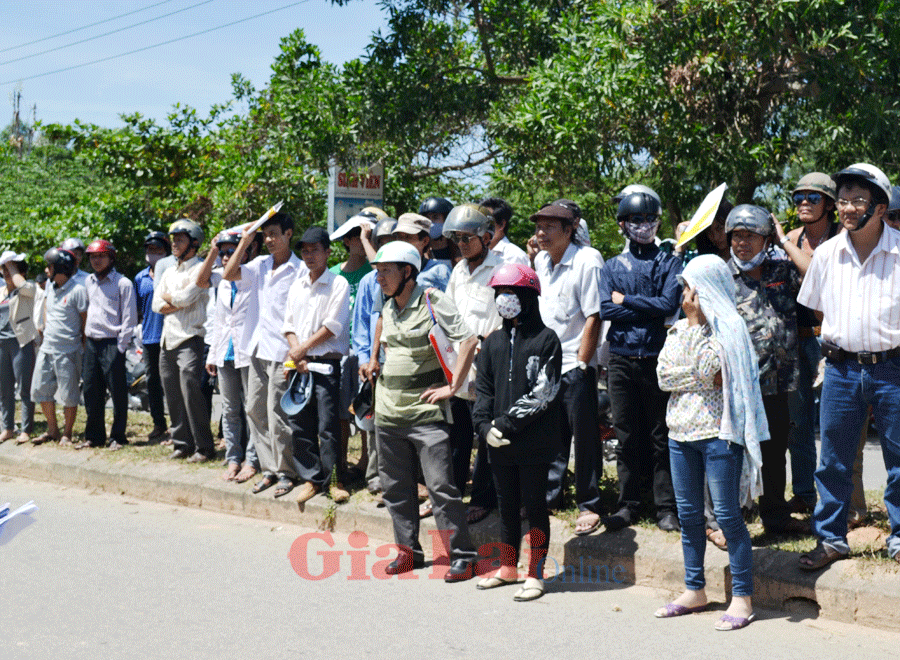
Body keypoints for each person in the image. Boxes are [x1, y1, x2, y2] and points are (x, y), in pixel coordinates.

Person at [796, 163, 900, 569]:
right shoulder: (825, 255)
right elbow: (816, 309)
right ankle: (831, 540)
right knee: (833, 460)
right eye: (843, 200)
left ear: (879, 207)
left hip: (893, 369)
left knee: (898, 458)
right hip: (839, 370)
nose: (847, 208)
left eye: (858, 200)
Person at [655, 255, 765, 631]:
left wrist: (694, 347)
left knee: (728, 516)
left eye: (690, 288)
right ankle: (695, 590)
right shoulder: (679, 328)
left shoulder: (730, 328)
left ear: (708, 289)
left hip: (719, 433)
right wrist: (691, 330)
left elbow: (707, 370)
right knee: (688, 517)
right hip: (680, 433)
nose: (685, 296)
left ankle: (742, 597)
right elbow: (663, 375)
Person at [371, 241, 478, 581]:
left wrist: (453, 387)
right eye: (377, 271)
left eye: (386, 271)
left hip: (426, 417)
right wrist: (373, 358)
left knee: (441, 487)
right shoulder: (388, 303)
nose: (379, 278)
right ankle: (408, 552)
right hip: (387, 413)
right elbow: (382, 329)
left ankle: (462, 555)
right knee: (396, 488)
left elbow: (468, 340)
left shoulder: (432, 299)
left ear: (407, 271)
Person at [472, 263, 562, 602]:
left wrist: (504, 424)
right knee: (505, 505)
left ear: (528, 297)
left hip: (534, 440)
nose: (504, 300)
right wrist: (484, 427)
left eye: (511, 293)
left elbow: (545, 392)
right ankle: (508, 567)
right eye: (500, 293)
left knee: (534, 506)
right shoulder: (492, 342)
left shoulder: (546, 339)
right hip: (497, 441)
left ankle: (535, 573)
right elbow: (483, 391)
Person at [725, 204, 811, 535]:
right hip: (739, 383)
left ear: (766, 238)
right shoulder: (722, 276)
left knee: (775, 452)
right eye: (737, 235)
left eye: (751, 235)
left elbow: (817, 274)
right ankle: (731, 518)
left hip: (779, 381)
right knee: (735, 453)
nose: (742, 242)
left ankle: (775, 516)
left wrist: (784, 241)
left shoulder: (782, 270)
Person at [600, 191, 681, 532]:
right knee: (627, 435)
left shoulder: (668, 261)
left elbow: (667, 305)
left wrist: (628, 300)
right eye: (637, 220)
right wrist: (642, 307)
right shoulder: (611, 266)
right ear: (623, 225)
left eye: (650, 220)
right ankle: (628, 504)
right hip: (620, 360)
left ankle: (666, 507)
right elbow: (607, 309)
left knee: (661, 434)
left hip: (655, 358)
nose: (645, 227)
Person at [531, 199, 604, 533]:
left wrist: (583, 365)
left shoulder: (587, 260)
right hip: (545, 363)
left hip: (576, 361)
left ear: (570, 229)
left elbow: (594, 316)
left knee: (585, 437)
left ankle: (589, 503)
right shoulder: (541, 261)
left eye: (549, 226)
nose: (541, 232)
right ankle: (550, 495)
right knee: (550, 435)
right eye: (539, 226)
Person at [223, 212, 307, 498]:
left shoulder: (300, 270)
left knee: (278, 413)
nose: (269, 240)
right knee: (254, 410)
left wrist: (298, 352)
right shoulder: (258, 265)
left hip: (284, 352)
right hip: (256, 348)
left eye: (274, 234)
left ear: (288, 234)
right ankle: (269, 469)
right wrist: (245, 241)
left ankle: (287, 472)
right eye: (265, 235)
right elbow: (228, 274)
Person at [441, 204, 503, 525]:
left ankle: (481, 499)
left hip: (488, 365)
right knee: (458, 432)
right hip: (458, 363)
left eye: (468, 238)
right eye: (457, 239)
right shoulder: (458, 271)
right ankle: (451, 494)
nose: (462, 245)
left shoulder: (502, 269)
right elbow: (449, 313)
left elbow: (506, 318)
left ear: (486, 238)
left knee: (485, 435)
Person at [783, 173, 841, 514]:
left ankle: (841, 502)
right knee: (798, 424)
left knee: (836, 427)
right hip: (794, 342)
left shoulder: (842, 240)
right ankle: (805, 495)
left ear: (830, 205)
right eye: (799, 197)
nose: (804, 202)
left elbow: (819, 275)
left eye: (813, 197)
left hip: (830, 343)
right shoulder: (790, 238)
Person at [283, 226, 351, 503]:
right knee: (300, 424)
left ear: (327, 252)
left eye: (315, 250)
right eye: (305, 250)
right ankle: (312, 479)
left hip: (325, 364)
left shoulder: (338, 284)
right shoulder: (297, 285)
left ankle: (335, 481)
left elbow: (332, 327)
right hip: (298, 364)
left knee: (328, 426)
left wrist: (301, 350)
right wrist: (295, 353)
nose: (309, 255)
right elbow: (288, 325)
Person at [197, 230, 260, 483]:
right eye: (222, 253)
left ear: (245, 251)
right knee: (230, 408)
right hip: (225, 350)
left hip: (250, 352)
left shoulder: (255, 274)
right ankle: (233, 458)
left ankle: (253, 460)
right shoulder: (222, 281)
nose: (225, 257)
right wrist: (212, 250)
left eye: (230, 252)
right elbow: (201, 281)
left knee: (253, 409)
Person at [152, 219, 215, 463]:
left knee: (192, 393)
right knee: (172, 393)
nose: (175, 244)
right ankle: (181, 443)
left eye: (180, 239)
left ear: (194, 243)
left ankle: (203, 446)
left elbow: (190, 296)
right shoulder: (168, 271)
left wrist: (174, 298)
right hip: (167, 340)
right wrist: (177, 299)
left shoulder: (201, 268)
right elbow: (157, 304)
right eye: (174, 239)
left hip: (191, 337)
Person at [329, 213, 375, 484]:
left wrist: (369, 241)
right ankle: (342, 463)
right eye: (359, 236)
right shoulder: (335, 274)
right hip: (338, 352)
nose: (363, 240)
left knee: (364, 408)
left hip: (364, 352)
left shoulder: (373, 272)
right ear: (347, 241)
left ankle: (367, 459)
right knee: (340, 412)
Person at [78, 239, 137, 451]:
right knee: (91, 390)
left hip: (113, 343)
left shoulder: (123, 283)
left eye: (101, 256)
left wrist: (121, 347)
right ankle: (94, 437)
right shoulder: (88, 282)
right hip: (92, 343)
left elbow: (130, 319)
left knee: (117, 391)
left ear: (111, 258)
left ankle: (118, 437)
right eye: (93, 257)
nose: (96, 261)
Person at [354, 216, 397, 494]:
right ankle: (375, 476)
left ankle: (400, 477)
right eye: (381, 242)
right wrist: (363, 357)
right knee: (374, 420)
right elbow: (361, 324)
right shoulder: (370, 281)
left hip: (403, 361)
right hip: (375, 361)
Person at [30, 248, 87, 445]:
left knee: (69, 394)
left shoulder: (78, 290)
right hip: (47, 348)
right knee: (40, 388)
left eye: (50, 266)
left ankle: (67, 433)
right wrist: (45, 328)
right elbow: (46, 306)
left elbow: (84, 321)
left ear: (61, 268)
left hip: (68, 350)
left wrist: (83, 346)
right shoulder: (49, 287)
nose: (46, 270)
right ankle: (53, 430)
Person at [134, 231, 171, 443]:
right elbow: (138, 309)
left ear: (165, 251)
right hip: (149, 337)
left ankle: (178, 425)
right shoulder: (140, 278)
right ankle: (159, 424)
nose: (152, 254)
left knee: (172, 384)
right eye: (149, 250)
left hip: (171, 337)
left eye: (157, 250)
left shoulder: (173, 273)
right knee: (153, 383)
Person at [0, 252, 37, 444]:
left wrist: (12, 266)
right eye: (4, 269)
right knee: (4, 389)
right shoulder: (1, 292)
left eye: (11, 269)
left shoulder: (27, 288)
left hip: (20, 341)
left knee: (25, 388)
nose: (6, 273)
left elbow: (26, 287)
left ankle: (25, 429)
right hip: (1, 343)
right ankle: (7, 428)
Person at [480, 197, 530, 266]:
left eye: (486, 221)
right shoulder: (473, 254)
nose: (479, 226)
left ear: (501, 225)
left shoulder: (514, 257)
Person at [419, 196, 455, 263]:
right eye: (427, 218)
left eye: (435, 217)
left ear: (446, 220)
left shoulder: (460, 254)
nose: (430, 222)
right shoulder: (420, 256)